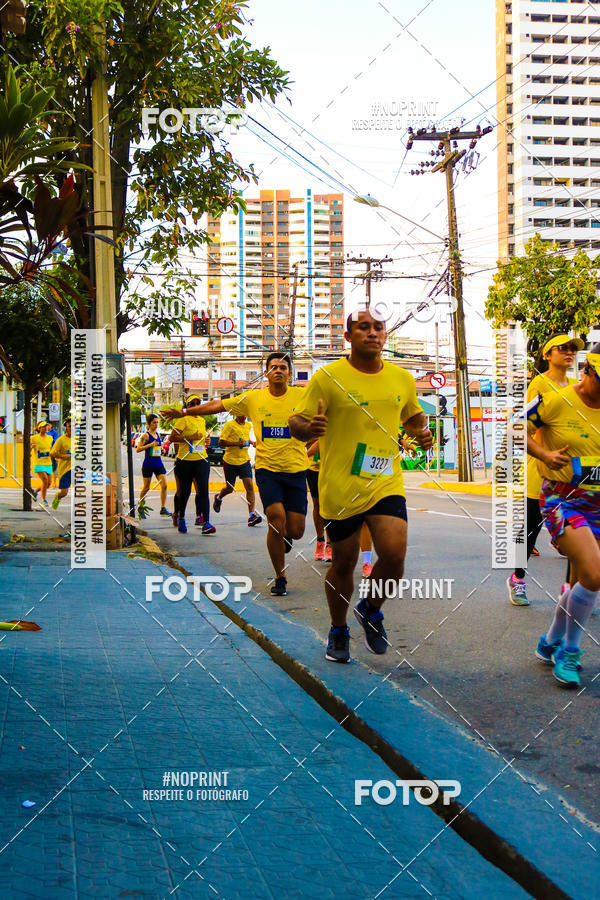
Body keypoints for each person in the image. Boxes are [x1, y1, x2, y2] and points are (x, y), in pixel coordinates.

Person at [289, 308, 433, 663]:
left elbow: (412, 415)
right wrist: (309, 429)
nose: (372, 333)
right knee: (344, 564)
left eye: (378, 327)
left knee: (395, 555)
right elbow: (296, 420)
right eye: (363, 328)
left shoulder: (402, 378)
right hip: (340, 485)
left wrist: (422, 432)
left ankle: (370, 608)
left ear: (385, 335)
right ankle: (338, 629)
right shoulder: (328, 377)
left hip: (385, 479)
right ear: (349, 337)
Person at [163, 353, 309, 596]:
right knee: (274, 518)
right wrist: (185, 412)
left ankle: (286, 537)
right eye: (273, 367)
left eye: (283, 367)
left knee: (296, 530)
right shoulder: (253, 398)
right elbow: (218, 405)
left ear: (290, 373)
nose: (278, 371)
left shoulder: (302, 396)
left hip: (296, 470)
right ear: (266, 373)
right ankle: (280, 577)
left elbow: (329, 406)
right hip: (266, 468)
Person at [527, 345, 600, 687]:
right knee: (594, 573)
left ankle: (551, 638)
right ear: (589, 372)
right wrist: (543, 452)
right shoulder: (557, 399)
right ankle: (569, 652)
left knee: (587, 577)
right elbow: (516, 428)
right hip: (562, 500)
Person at [507, 333, 583, 607]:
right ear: (547, 355)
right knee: (530, 527)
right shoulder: (539, 384)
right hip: (540, 466)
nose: (569, 352)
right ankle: (517, 578)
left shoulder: (578, 385)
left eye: (572, 348)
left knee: (577, 530)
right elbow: (524, 425)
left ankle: (570, 592)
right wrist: (544, 454)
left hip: (573, 471)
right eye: (561, 348)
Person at [167, 395, 215, 535]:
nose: (195, 405)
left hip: (201, 459)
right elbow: (172, 438)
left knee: (203, 491)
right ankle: (181, 517)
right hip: (185, 460)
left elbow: (201, 439)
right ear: (187, 406)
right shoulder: (182, 420)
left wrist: (206, 440)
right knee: (185, 491)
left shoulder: (202, 420)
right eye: (192, 403)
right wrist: (190, 437)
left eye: (198, 403)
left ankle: (206, 522)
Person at [213, 415, 262, 526]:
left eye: (245, 414)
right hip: (230, 462)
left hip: (244, 461)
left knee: (249, 486)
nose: (244, 416)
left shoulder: (248, 425)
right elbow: (221, 442)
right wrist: (236, 444)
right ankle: (219, 497)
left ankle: (251, 516)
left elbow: (244, 439)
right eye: (241, 413)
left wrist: (252, 442)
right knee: (230, 488)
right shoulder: (229, 425)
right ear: (236, 413)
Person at [136, 413, 169, 518]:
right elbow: (138, 449)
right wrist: (150, 445)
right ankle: (141, 507)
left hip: (158, 464)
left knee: (164, 485)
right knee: (146, 488)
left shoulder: (158, 435)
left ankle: (163, 508)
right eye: (154, 422)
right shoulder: (145, 436)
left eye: (157, 422)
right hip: (148, 465)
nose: (156, 424)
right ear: (149, 423)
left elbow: (157, 448)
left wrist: (162, 449)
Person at [306, 439, 332, 562]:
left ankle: (330, 544)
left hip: (330, 468)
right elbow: (302, 442)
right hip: (313, 469)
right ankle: (320, 541)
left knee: (329, 506)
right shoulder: (311, 422)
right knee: (317, 505)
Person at [50, 419, 72, 510]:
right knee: (64, 492)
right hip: (65, 470)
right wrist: (63, 456)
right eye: (70, 426)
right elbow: (52, 453)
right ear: (65, 428)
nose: (72, 428)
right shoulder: (61, 440)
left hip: (77, 469)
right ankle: (58, 497)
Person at [31, 421, 53, 506]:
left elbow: (51, 449)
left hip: (48, 462)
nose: (45, 428)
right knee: (45, 480)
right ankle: (44, 500)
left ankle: (35, 491)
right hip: (38, 462)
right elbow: (27, 450)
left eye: (46, 426)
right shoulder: (33, 438)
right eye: (43, 427)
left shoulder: (50, 438)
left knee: (48, 484)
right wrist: (31, 447)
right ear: (39, 428)